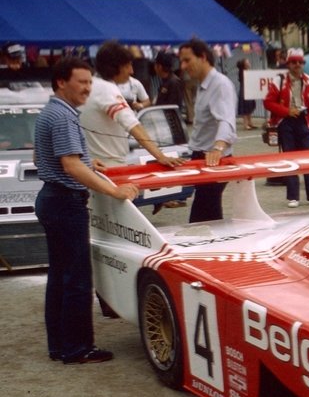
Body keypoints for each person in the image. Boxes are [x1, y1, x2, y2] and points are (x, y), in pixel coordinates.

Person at [34, 58, 140, 364]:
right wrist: (113, 190)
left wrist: (86, 162)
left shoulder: (51, 112)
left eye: (90, 83)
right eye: (81, 82)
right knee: (78, 278)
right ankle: (77, 348)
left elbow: (43, 157)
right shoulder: (64, 116)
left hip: (53, 200)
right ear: (61, 83)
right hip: (65, 203)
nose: (87, 88)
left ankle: (60, 345)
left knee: (60, 277)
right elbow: (70, 165)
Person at [79, 41, 184, 169]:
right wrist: (160, 156)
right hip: (110, 164)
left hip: (93, 163)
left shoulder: (91, 86)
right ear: (116, 67)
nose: (132, 71)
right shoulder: (107, 89)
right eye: (128, 65)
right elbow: (133, 125)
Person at [179, 38, 237, 223]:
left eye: (187, 60)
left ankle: (214, 250)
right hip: (203, 157)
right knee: (207, 216)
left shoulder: (219, 84)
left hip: (212, 159)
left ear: (203, 57)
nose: (183, 66)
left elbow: (226, 119)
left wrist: (217, 149)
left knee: (202, 219)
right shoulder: (204, 85)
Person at [263, 49, 309, 208]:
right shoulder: (278, 80)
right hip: (286, 123)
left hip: (304, 120)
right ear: (288, 64)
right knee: (290, 159)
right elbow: (268, 102)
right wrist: (287, 111)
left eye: (300, 62)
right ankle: (293, 196)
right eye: (294, 62)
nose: (297, 65)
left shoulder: (308, 80)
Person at [236, 58, 256, 130]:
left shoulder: (247, 71)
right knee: (245, 107)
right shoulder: (243, 72)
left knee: (249, 107)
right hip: (244, 90)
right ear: (244, 64)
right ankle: (245, 124)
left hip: (249, 89)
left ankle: (250, 122)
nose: (249, 63)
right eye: (247, 62)